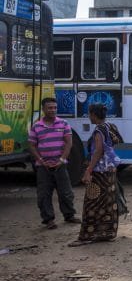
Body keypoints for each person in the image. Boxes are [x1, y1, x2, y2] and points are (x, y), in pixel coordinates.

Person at [69, 103, 119, 246]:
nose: (89, 117)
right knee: (108, 204)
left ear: (93, 115)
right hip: (109, 173)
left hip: (98, 173)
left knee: (91, 205)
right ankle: (107, 232)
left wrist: (88, 170)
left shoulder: (98, 130)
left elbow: (98, 151)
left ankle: (87, 236)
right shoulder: (110, 126)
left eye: (89, 114)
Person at [27, 97, 81, 230]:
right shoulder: (36, 126)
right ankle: (48, 220)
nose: (53, 110)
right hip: (43, 167)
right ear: (43, 109)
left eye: (54, 108)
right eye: (50, 108)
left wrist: (61, 160)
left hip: (60, 165)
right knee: (44, 194)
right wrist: (40, 160)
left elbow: (69, 143)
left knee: (66, 193)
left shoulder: (63, 123)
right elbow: (31, 145)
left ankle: (69, 215)